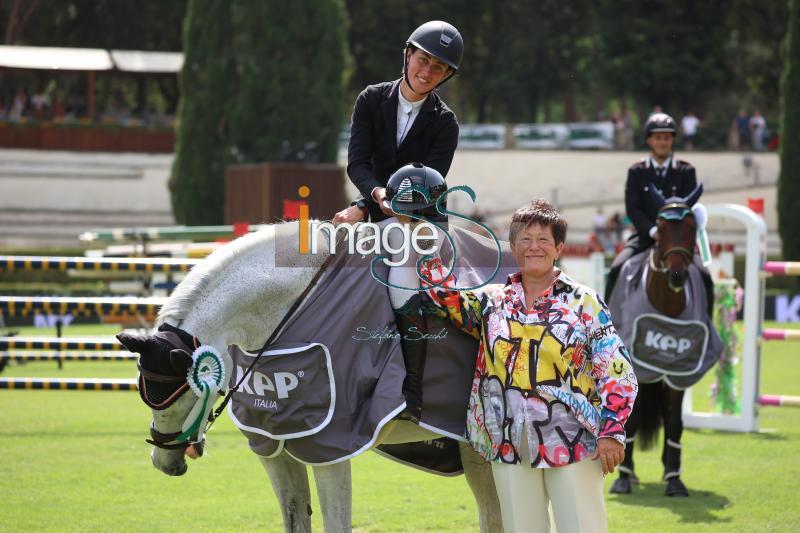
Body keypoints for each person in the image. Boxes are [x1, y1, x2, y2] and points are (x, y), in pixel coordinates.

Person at [419, 199, 637, 533]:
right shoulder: (491, 300)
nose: (534, 246)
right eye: (525, 239)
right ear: (512, 247)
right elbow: (440, 297)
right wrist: (424, 235)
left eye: (543, 239)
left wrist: (612, 431)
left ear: (559, 247)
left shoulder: (585, 302)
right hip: (507, 442)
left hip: (575, 442)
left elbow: (616, 370)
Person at [332, 21, 463, 423]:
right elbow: (358, 162)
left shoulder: (445, 123)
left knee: (404, 269)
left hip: (420, 220)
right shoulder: (371, 99)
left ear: (445, 75)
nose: (427, 71)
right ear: (408, 54)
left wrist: (365, 208)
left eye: (438, 68)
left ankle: (413, 387)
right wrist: (371, 199)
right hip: (375, 203)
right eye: (423, 59)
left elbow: (424, 188)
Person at [605, 113, 714, 314]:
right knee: (615, 269)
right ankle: (606, 325)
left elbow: (689, 210)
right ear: (649, 140)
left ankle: (706, 328)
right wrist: (653, 230)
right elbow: (633, 208)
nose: (662, 142)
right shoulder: (637, 171)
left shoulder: (686, 171)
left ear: (672, 139)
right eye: (658, 137)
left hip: (679, 241)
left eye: (666, 137)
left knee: (705, 275)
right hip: (647, 235)